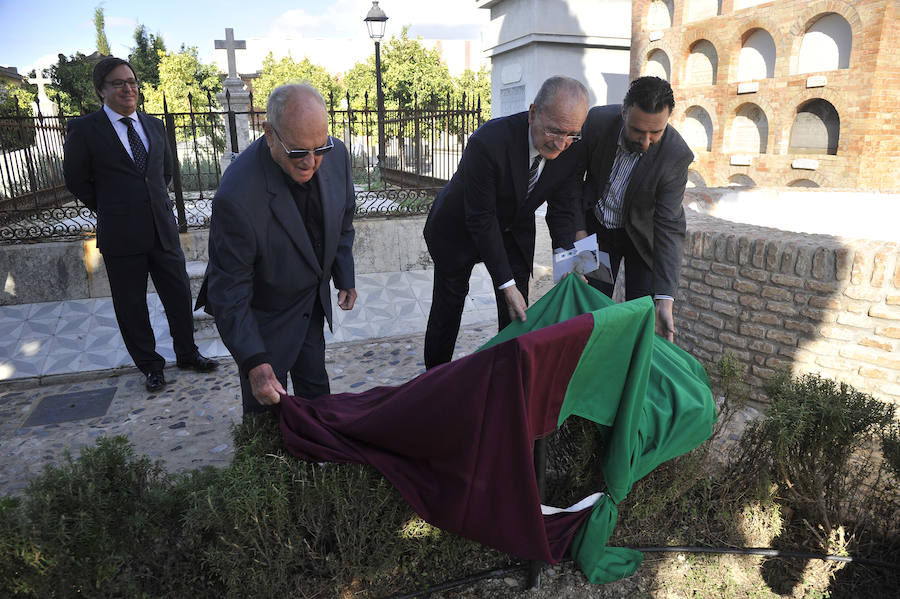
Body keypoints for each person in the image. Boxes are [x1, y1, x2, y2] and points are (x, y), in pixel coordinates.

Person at [63, 57, 218, 393]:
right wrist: (111, 206)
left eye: (131, 81)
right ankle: (150, 365)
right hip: (121, 234)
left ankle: (188, 353)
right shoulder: (85, 129)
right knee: (131, 306)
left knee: (178, 296)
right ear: (101, 91)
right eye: (118, 83)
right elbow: (76, 179)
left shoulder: (155, 126)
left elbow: (163, 173)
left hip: (162, 229)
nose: (128, 88)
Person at [200, 83, 357, 415]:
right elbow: (229, 290)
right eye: (298, 152)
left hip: (310, 302)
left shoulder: (337, 153)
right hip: (264, 318)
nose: (312, 163)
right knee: (268, 416)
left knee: (318, 398)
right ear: (269, 133)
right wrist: (254, 361)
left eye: (320, 149)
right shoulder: (237, 197)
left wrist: (344, 274)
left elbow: (343, 217)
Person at [423, 76, 589, 369]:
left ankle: (507, 377)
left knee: (517, 308)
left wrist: (570, 264)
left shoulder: (572, 146)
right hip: (458, 228)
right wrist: (505, 284)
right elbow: (481, 218)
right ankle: (433, 379)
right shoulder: (487, 142)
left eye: (571, 134)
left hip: (514, 228)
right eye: (554, 131)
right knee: (449, 306)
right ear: (533, 112)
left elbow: (564, 209)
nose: (562, 144)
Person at [576, 76, 693, 342]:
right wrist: (578, 233)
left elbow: (670, 225)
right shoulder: (596, 122)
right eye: (638, 131)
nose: (646, 142)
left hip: (642, 241)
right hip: (595, 231)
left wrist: (666, 298)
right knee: (584, 309)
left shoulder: (676, 155)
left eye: (656, 133)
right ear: (623, 111)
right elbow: (571, 182)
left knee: (642, 320)